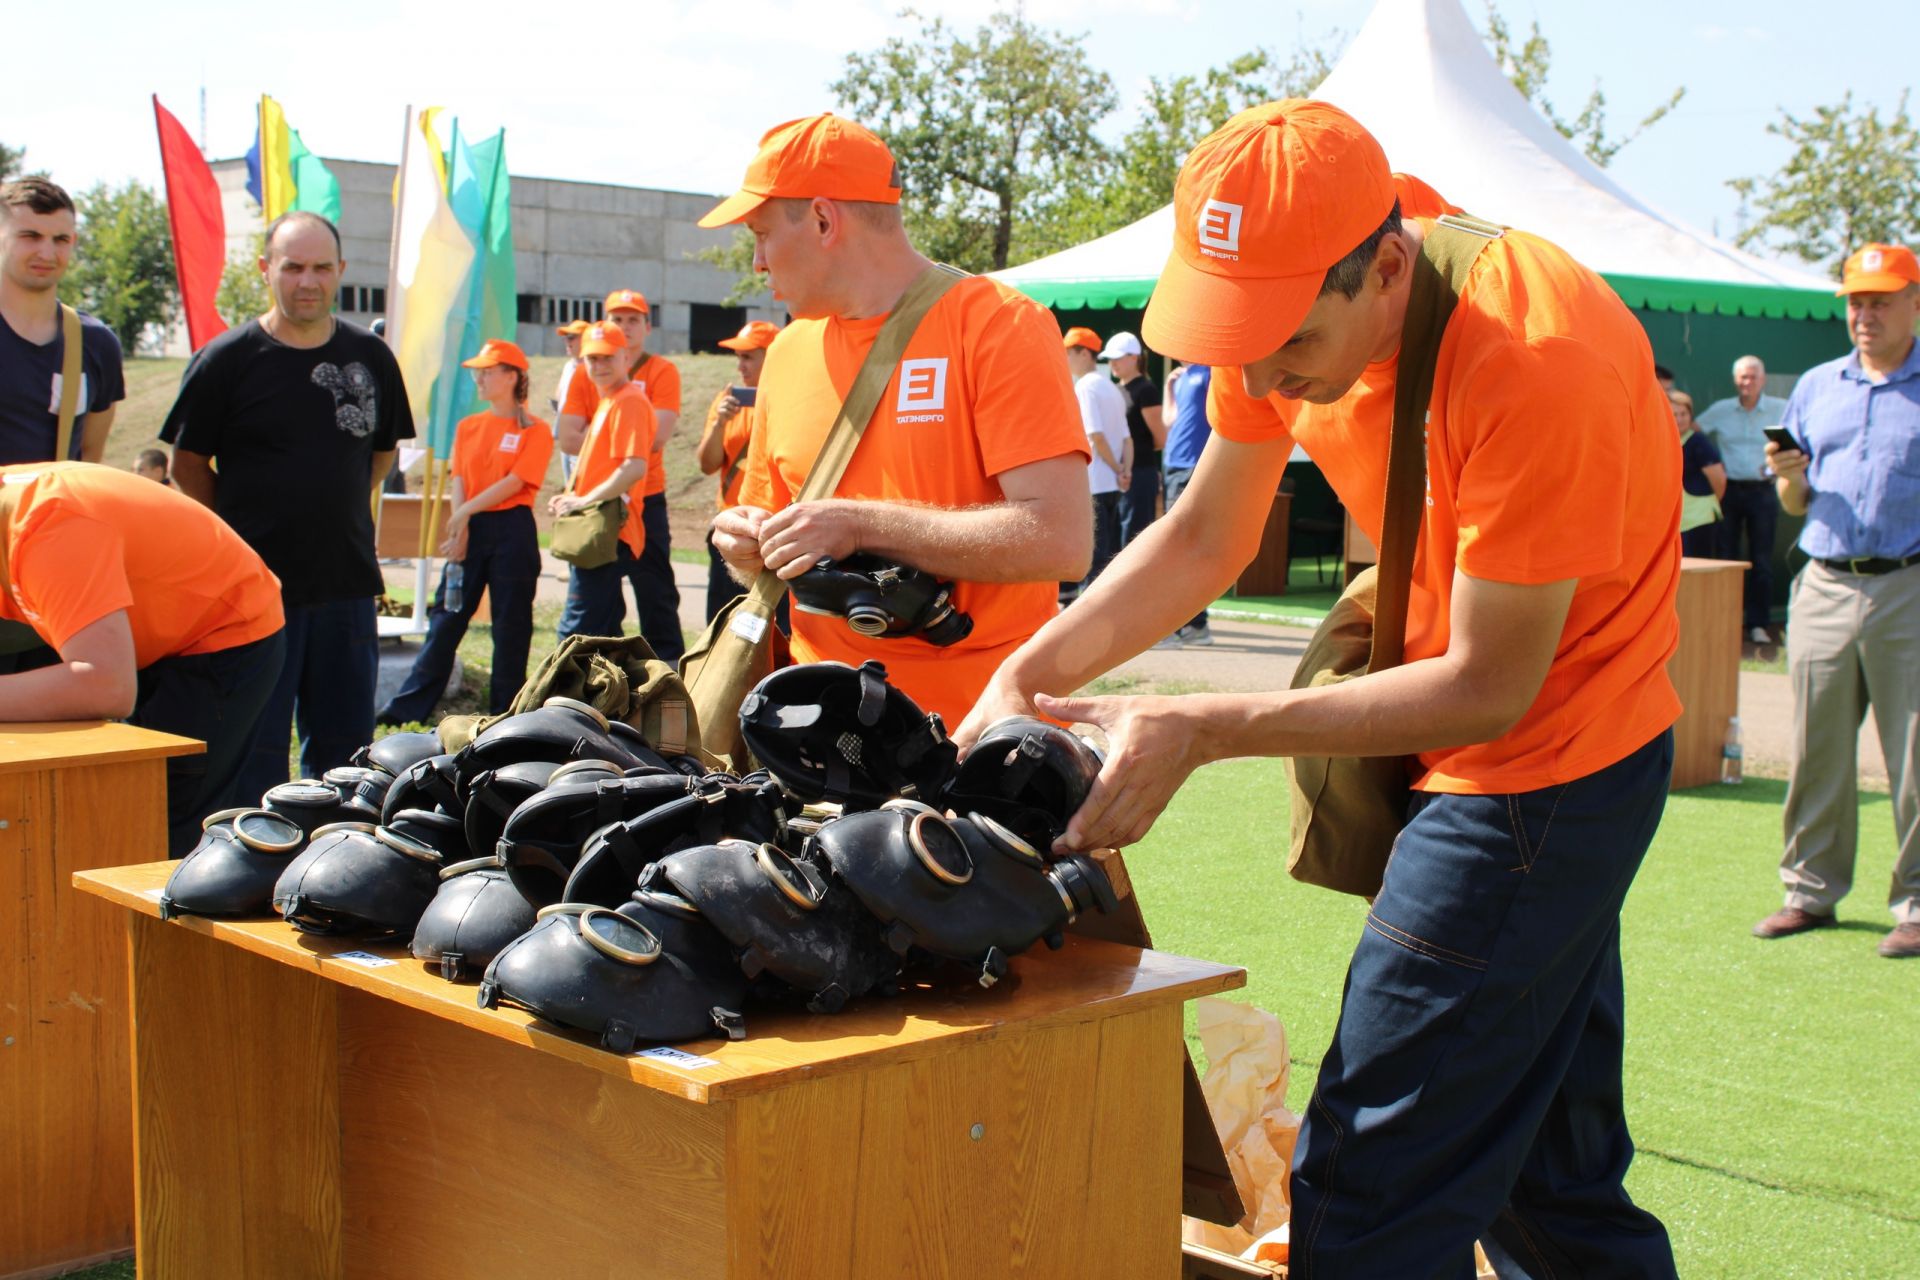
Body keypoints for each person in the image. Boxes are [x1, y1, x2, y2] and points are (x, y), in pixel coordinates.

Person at [962, 100, 1684, 1276]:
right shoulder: (1282, 301)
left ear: (1387, 266)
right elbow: (1205, 534)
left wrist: (1202, 725)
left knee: (1364, 1192)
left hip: (1553, 762)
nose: (1254, 370)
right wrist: (1022, 670)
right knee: (1554, 1188)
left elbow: (1493, 687)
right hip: (1495, 734)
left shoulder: (1536, 351)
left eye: (1284, 340)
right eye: (1230, 335)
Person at [703, 112, 1091, 729]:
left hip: (974, 743)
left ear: (825, 220)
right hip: (813, 730)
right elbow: (771, 541)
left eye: (763, 233)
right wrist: (744, 543)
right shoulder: (785, 351)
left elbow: (1062, 540)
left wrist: (860, 525)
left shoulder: (997, 324)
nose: (757, 261)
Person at [161, 210, 412, 800]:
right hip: (253, 595)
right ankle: (251, 872)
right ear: (265, 269)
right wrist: (238, 540)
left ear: (342, 271)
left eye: (322, 267)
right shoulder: (226, 360)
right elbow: (186, 464)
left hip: (346, 587)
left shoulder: (371, 358)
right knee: (256, 752)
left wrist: (332, 507)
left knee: (347, 756)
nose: (308, 281)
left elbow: (380, 455)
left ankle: (338, 870)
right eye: (293, 266)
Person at [1753, 242, 1920, 960]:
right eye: (1856, 300)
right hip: (1822, 580)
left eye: (1881, 299)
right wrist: (1787, 476)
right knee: (1817, 748)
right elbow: (1795, 498)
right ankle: (1810, 892)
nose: (1865, 313)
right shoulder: (1818, 386)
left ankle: (1915, 903)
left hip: (1908, 585)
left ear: (1915, 302)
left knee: (1915, 756)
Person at [0, 461, 285, 855]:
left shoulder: (49, 527)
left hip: (219, 633)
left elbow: (105, 685)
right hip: (145, 633)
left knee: (161, 827)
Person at [378, 339, 553, 724]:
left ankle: (507, 711)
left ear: (512, 376)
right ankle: (408, 708)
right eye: (478, 371)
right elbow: (460, 479)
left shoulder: (536, 430)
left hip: (512, 530)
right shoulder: (470, 426)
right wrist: (459, 524)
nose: (479, 378)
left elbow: (515, 481)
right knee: (447, 616)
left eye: (488, 371)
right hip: (470, 526)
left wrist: (465, 514)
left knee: (511, 624)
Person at [556, 290, 684, 661]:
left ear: (646, 328)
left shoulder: (645, 382)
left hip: (638, 498)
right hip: (601, 503)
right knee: (595, 605)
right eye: (616, 319)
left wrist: (592, 488)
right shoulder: (597, 380)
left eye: (632, 319)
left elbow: (649, 446)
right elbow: (567, 439)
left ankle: (667, 666)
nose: (624, 327)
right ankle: (603, 678)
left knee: (653, 589)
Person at [0, 178, 123, 465]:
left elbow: (90, 458)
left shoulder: (96, 343)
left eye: (60, 240)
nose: (46, 253)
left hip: (52, 508)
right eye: (30, 236)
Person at [552, 322, 654, 641]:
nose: (599, 366)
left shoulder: (628, 400)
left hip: (608, 529)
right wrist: (570, 494)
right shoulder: (611, 399)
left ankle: (562, 691)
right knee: (603, 633)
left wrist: (584, 501)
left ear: (626, 358)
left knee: (576, 632)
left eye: (608, 357)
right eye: (592, 359)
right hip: (599, 528)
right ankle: (615, 690)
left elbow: (633, 467)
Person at [696, 318, 787, 624]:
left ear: (772, 355)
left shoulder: (791, 401)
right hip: (732, 530)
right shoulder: (728, 400)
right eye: (738, 357)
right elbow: (707, 465)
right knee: (722, 621)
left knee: (776, 624)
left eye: (748, 356)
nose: (740, 366)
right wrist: (719, 423)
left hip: (773, 530)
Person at [1698, 355, 1789, 643]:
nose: (1747, 382)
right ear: (1735, 380)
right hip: (1730, 492)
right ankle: (1725, 623)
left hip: (1763, 492)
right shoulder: (1721, 410)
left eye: (1753, 377)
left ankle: (1758, 624)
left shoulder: (1780, 409)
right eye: (1742, 377)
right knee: (1726, 559)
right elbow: (1693, 432)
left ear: (1762, 380)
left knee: (1761, 561)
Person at [1065, 326, 1131, 589]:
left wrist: (1117, 470)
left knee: (1095, 557)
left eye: (1068, 353)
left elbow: (1096, 435)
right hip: (1112, 483)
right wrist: (1124, 471)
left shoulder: (1086, 387)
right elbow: (1127, 439)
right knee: (1107, 555)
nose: (1065, 359)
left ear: (1083, 354)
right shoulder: (1111, 387)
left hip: (1096, 482)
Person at [1157, 361, 1214, 646]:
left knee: (1181, 547)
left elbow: (1220, 418)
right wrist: (1168, 386)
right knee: (1179, 547)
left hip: (1193, 466)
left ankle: (1188, 624)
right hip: (1173, 466)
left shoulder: (1209, 371)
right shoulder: (1181, 377)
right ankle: (1192, 624)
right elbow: (1169, 420)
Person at [1101, 331, 1163, 547]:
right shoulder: (1115, 389)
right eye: (1110, 358)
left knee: (1134, 539)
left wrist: (1132, 457)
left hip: (1140, 473)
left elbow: (1160, 437)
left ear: (1134, 357)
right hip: (1116, 475)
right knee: (1115, 538)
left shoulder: (1146, 389)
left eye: (1118, 357)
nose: (1113, 363)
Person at [1671, 388, 1726, 558]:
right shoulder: (1666, 440)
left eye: (1684, 414)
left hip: (1699, 519)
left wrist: (1707, 504)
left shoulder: (1698, 441)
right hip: (1676, 521)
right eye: (1674, 414)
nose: (1679, 419)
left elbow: (1718, 478)